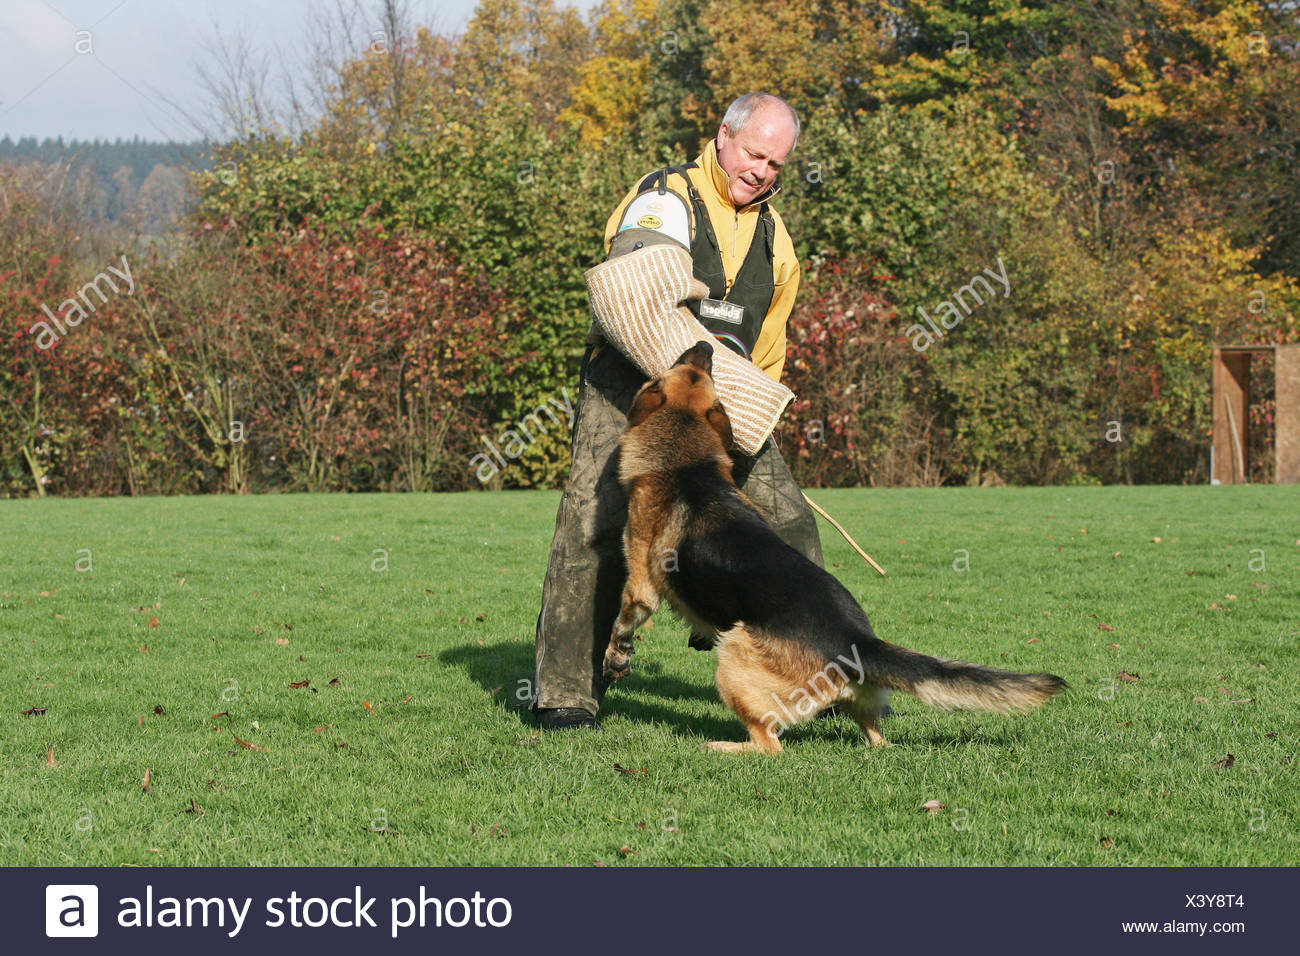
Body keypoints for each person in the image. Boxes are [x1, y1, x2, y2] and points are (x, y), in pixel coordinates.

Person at [532, 92, 823, 730]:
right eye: (754, 153)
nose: (762, 171)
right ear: (724, 136)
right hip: (634, 387)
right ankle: (564, 696)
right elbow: (635, 291)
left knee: (791, 525)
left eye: (776, 164)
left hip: (727, 400)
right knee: (597, 525)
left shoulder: (777, 241)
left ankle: (816, 680)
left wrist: (753, 411)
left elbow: (769, 344)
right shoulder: (666, 199)